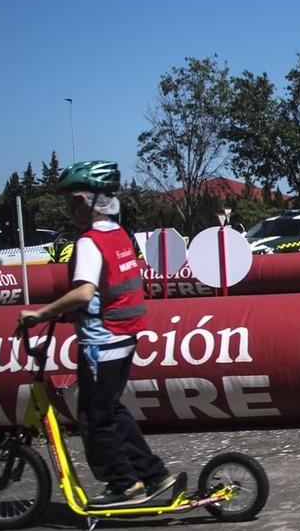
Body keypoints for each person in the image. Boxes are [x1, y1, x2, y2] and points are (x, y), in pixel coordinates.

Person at [18, 161, 181, 508]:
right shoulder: (119, 235)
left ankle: (124, 484)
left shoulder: (90, 242)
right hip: (124, 335)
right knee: (111, 409)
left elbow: (84, 292)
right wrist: (67, 317)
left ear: (84, 201)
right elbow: (111, 289)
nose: (68, 210)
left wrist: (40, 314)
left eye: (71, 203)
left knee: (93, 417)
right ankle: (152, 474)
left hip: (102, 341)